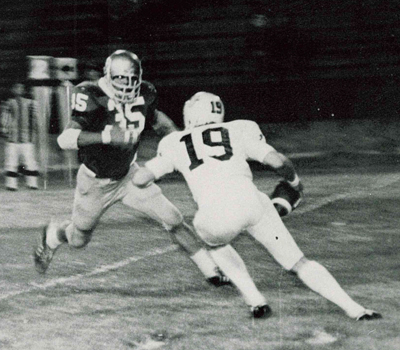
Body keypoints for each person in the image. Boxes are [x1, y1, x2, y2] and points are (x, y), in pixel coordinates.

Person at [132, 91, 382, 321]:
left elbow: (141, 179)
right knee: (298, 262)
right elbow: (277, 161)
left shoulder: (174, 142)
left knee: (215, 243)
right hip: (251, 203)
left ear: (190, 113)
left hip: (213, 217)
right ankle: (356, 309)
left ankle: (254, 300)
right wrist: (294, 182)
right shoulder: (241, 128)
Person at [33, 50, 230, 288]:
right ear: (109, 76)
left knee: (173, 218)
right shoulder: (90, 93)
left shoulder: (146, 92)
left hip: (129, 175)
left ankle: (211, 270)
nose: (127, 85)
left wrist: (180, 140)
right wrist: (106, 135)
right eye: (121, 79)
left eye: (132, 79)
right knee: (78, 239)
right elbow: (65, 139)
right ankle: (54, 235)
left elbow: (157, 120)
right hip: (95, 182)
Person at [0, 81, 40, 190]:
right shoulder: (8, 103)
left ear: (24, 90)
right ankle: (11, 185)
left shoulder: (32, 103)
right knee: (11, 162)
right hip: (12, 139)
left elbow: (35, 120)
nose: (18, 90)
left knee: (30, 162)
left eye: (20, 88)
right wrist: (5, 133)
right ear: (12, 90)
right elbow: (4, 119)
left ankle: (32, 184)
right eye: (16, 88)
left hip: (27, 139)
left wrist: (34, 135)